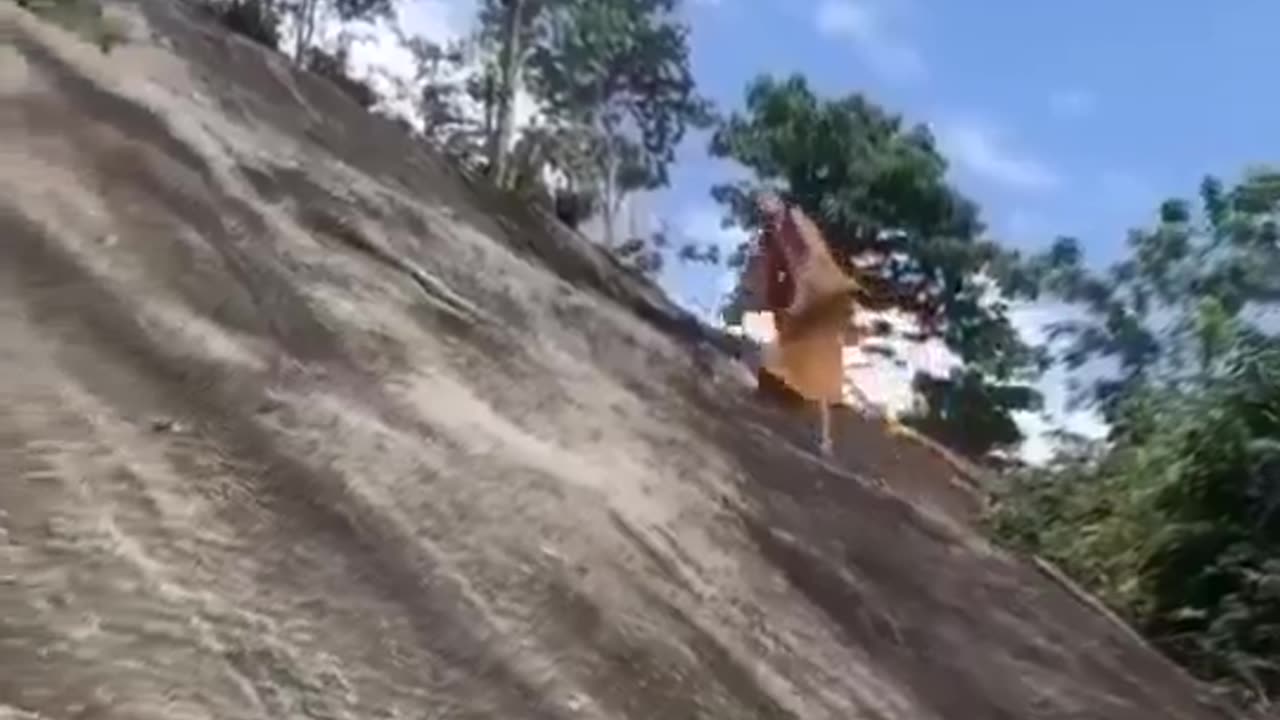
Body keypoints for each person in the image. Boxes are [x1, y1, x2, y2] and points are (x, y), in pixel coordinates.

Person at [742, 192, 860, 456]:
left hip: (820, 304)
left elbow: (811, 259)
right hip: (804, 309)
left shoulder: (796, 223)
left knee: (820, 371)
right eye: (763, 206)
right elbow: (775, 270)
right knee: (790, 357)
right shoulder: (774, 234)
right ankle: (813, 431)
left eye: (769, 202)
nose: (766, 208)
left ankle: (824, 438)